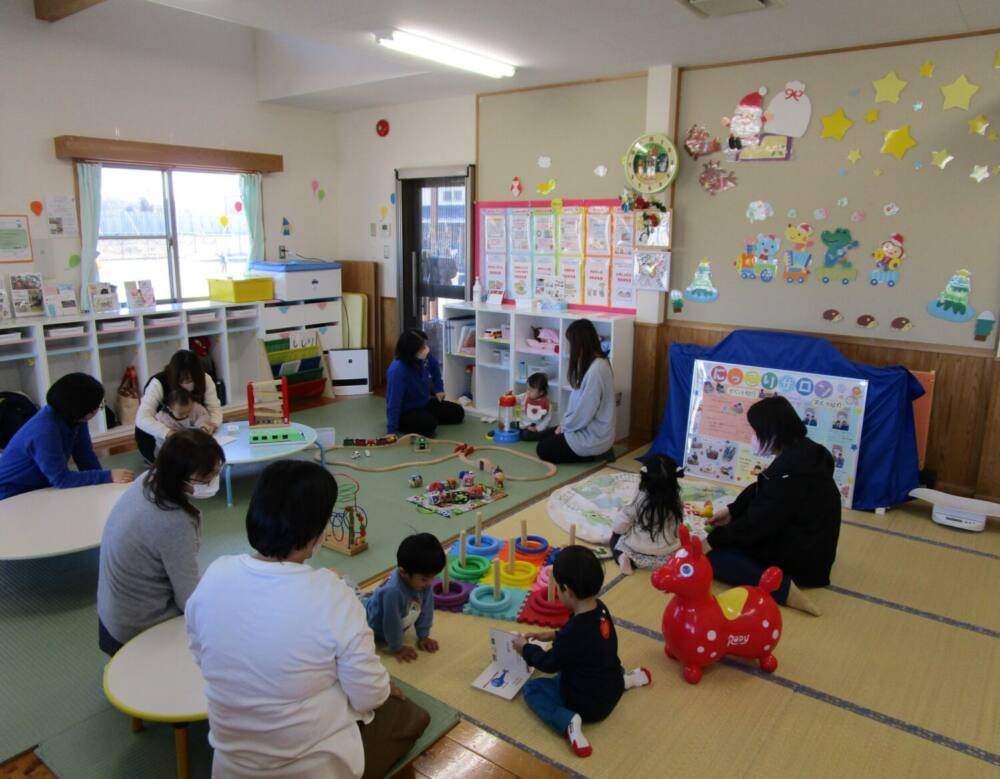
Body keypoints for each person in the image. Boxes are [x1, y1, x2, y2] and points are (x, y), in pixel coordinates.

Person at [185, 460, 429, 779]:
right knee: (412, 715)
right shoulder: (332, 595)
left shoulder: (215, 574)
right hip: (314, 765)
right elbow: (369, 693)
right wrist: (382, 689)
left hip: (230, 766)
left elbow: (200, 654)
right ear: (318, 529)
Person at [706, 396, 841, 616]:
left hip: (805, 563)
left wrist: (711, 541)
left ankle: (783, 589)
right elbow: (763, 487)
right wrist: (733, 511)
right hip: (816, 547)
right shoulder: (808, 452)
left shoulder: (789, 473)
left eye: (756, 432)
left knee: (715, 556)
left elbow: (758, 524)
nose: (753, 438)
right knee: (731, 531)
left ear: (773, 432)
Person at [513, 546, 651, 758]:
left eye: (558, 589)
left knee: (533, 689)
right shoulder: (600, 608)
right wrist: (553, 635)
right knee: (603, 661)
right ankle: (626, 680)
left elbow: (549, 663)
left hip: (585, 705)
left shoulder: (574, 633)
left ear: (567, 590)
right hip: (610, 686)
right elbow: (586, 639)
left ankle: (568, 721)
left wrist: (526, 648)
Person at [96, 429, 224, 655]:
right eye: (206, 477)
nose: (212, 481)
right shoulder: (173, 522)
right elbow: (189, 601)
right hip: (136, 628)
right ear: (180, 477)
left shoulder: (147, 480)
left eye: (216, 472)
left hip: (111, 616)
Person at [0, 372, 133, 500]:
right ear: (84, 410)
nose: (98, 409)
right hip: (11, 494)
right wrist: (107, 476)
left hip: (40, 487)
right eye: (99, 405)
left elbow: (85, 457)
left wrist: (105, 485)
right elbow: (61, 479)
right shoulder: (44, 430)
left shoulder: (76, 418)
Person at [535, 319, 615, 464]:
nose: (570, 348)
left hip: (592, 437)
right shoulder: (593, 363)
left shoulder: (596, 370)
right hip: (585, 428)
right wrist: (564, 425)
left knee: (542, 448)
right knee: (541, 435)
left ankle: (596, 454)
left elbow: (584, 412)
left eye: (571, 343)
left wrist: (565, 426)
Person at [365, 532, 445, 662]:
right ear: (403, 573)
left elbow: (427, 608)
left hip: (395, 612)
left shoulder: (423, 582)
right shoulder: (393, 592)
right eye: (425, 579)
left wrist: (423, 635)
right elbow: (391, 622)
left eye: (432, 577)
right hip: (371, 624)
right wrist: (396, 647)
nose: (430, 583)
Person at [135, 349, 222, 463]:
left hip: (192, 433)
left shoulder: (205, 378)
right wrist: (169, 433)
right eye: (182, 380)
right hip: (159, 437)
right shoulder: (158, 382)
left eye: (191, 379)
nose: (186, 383)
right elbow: (141, 419)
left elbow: (214, 409)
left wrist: (210, 425)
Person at [609, 454, 684, 576]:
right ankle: (672, 564)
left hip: (637, 550)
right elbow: (677, 526)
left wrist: (616, 532)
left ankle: (622, 558)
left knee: (615, 538)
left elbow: (623, 521)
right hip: (666, 554)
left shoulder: (639, 499)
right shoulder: (676, 501)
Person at [385, 329, 464, 437]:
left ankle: (426, 417)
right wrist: (391, 431)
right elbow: (393, 402)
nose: (426, 349)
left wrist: (439, 389)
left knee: (458, 413)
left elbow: (435, 366)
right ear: (412, 351)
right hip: (406, 411)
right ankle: (405, 423)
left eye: (425, 345)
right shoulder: (397, 371)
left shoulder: (423, 357)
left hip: (424, 403)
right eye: (423, 347)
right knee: (428, 426)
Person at [152, 388, 211, 455]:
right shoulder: (162, 419)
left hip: (192, 445)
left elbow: (204, 416)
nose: (186, 415)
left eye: (189, 411)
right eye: (181, 414)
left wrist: (203, 427)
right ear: (170, 409)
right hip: (167, 450)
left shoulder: (195, 408)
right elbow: (162, 438)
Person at [513, 372, 553, 442]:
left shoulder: (546, 404)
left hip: (534, 427)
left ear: (541, 392)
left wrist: (537, 428)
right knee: (511, 425)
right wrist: (511, 397)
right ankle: (520, 432)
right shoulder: (525, 396)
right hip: (523, 424)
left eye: (531, 390)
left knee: (526, 436)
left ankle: (545, 434)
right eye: (527, 389)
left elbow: (547, 420)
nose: (528, 392)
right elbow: (517, 398)